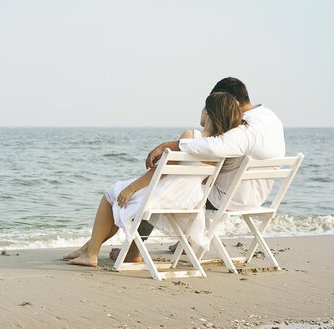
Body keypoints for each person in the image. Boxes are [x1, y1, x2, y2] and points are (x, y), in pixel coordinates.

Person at [109, 77, 286, 262]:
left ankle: (134, 251)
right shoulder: (270, 117)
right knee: (192, 175)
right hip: (257, 195)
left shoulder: (245, 129)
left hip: (228, 198)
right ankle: (187, 242)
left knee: (163, 188)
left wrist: (169, 145)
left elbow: (212, 146)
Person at [63, 92, 244, 267]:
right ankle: (87, 248)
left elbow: (162, 172)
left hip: (166, 194)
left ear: (209, 112)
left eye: (204, 108)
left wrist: (132, 188)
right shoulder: (222, 147)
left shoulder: (191, 135)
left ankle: (91, 254)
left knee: (112, 194)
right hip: (188, 199)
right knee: (120, 198)